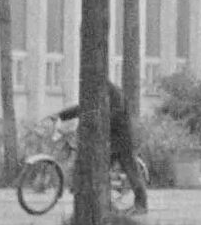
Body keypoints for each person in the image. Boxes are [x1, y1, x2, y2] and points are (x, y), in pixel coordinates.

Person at [56, 82, 148, 212]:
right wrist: (62, 115)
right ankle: (105, 204)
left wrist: (96, 118)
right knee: (100, 171)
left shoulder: (114, 92)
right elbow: (85, 108)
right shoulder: (98, 90)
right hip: (109, 141)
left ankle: (141, 205)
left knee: (132, 172)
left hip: (122, 139)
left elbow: (116, 112)